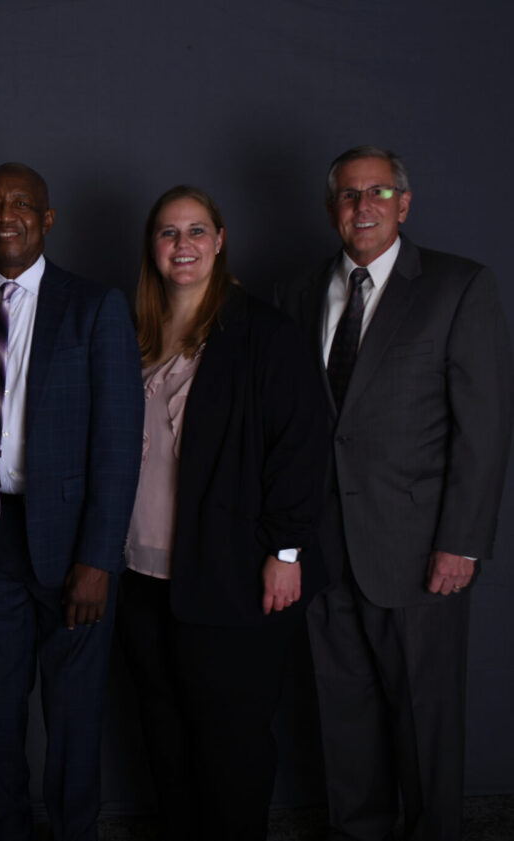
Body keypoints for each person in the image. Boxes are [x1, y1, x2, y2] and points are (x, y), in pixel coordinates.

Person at [277, 146, 514, 841]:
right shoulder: (296, 293)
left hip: (418, 553)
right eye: (350, 195)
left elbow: (484, 429)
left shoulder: (457, 287)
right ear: (332, 209)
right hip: (324, 554)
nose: (364, 206)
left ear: (404, 204)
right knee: (344, 722)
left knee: (425, 725)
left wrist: (461, 542)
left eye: (378, 192)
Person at [0, 162, 142, 841]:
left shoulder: (94, 307)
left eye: (22, 203)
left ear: (47, 219)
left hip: (73, 544)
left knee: (74, 718)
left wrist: (98, 559)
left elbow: (118, 443)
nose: (7, 215)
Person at [117, 185, 328, 841]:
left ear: (220, 240)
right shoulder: (133, 334)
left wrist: (286, 551)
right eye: (168, 232)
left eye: (196, 230)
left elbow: (302, 446)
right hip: (141, 575)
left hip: (231, 574)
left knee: (230, 739)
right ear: (152, 247)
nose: (183, 245)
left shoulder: (263, 333)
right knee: (164, 731)